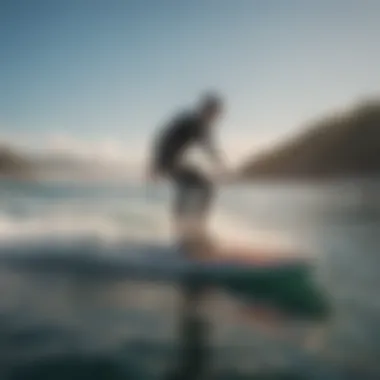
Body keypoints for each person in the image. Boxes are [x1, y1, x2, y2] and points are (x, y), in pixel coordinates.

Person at [148, 93, 226, 240]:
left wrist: (154, 165)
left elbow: (209, 147)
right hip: (168, 161)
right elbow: (209, 148)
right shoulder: (194, 122)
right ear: (207, 110)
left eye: (218, 114)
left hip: (172, 162)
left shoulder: (197, 122)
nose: (216, 117)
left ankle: (186, 228)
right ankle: (192, 229)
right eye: (215, 112)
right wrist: (154, 165)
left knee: (196, 186)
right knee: (203, 186)